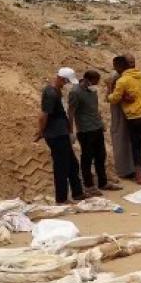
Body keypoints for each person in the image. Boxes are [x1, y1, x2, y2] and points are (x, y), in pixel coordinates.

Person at [35, 67, 84, 204]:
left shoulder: (56, 91)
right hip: (55, 134)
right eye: (66, 81)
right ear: (61, 79)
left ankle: (77, 193)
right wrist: (41, 131)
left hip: (61, 132)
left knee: (72, 164)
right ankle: (61, 199)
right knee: (61, 166)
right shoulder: (51, 93)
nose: (67, 84)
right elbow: (44, 115)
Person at [69, 70, 121, 195]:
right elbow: (71, 112)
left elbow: (95, 109)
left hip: (96, 128)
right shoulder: (75, 92)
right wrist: (70, 130)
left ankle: (103, 182)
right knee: (87, 158)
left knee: (101, 156)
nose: (96, 84)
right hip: (85, 130)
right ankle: (89, 186)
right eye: (95, 81)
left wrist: (101, 123)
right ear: (88, 80)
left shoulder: (92, 91)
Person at [108, 56, 141, 184]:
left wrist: (109, 93)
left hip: (135, 117)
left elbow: (114, 99)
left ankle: (139, 175)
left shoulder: (122, 80)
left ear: (119, 67)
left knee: (136, 147)